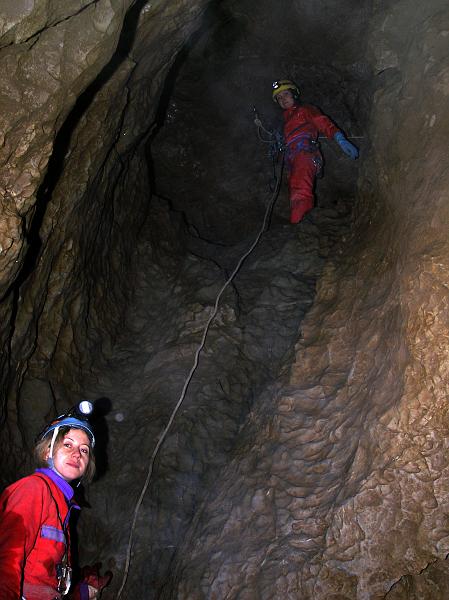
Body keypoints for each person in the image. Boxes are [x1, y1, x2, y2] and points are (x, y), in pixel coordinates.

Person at [0, 401, 111, 599]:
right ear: (47, 452)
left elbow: (44, 583)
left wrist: (82, 592)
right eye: (68, 444)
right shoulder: (33, 489)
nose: (77, 454)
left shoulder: (62, 506)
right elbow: (6, 562)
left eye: (84, 450)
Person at [272, 79, 359, 224]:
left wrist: (340, 138)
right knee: (296, 194)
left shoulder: (304, 110)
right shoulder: (285, 121)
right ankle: (302, 224)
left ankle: (300, 227)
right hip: (293, 160)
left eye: (286, 94)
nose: (283, 99)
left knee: (300, 192)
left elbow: (323, 123)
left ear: (294, 94)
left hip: (304, 155)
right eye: (279, 98)